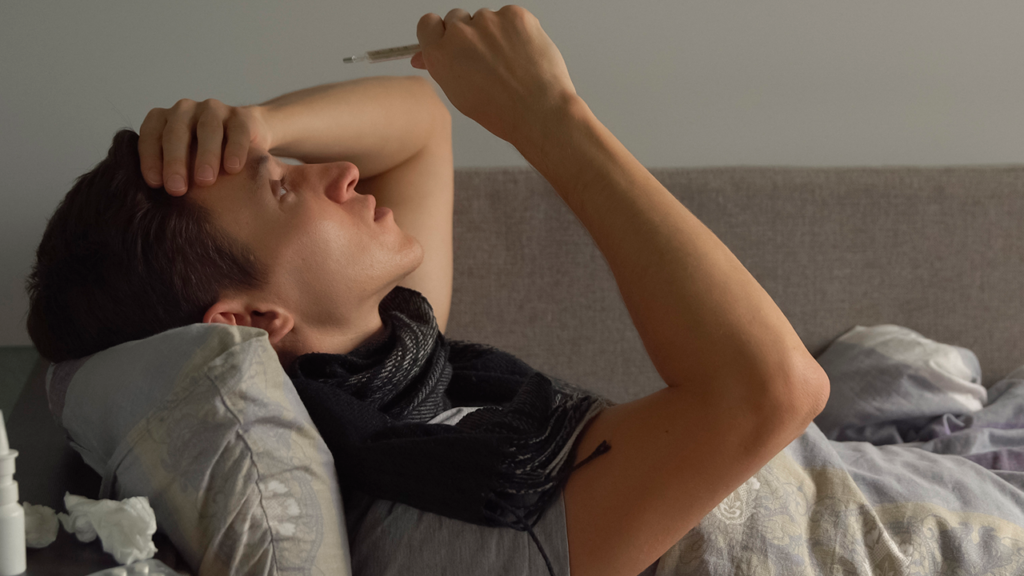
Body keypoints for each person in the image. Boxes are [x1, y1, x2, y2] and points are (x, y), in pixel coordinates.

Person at [26, 6, 829, 576]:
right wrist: (551, 115)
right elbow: (774, 389)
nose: (344, 171)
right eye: (283, 191)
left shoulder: (396, 377)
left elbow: (418, 123)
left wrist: (259, 126)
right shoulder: (460, 518)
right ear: (255, 320)